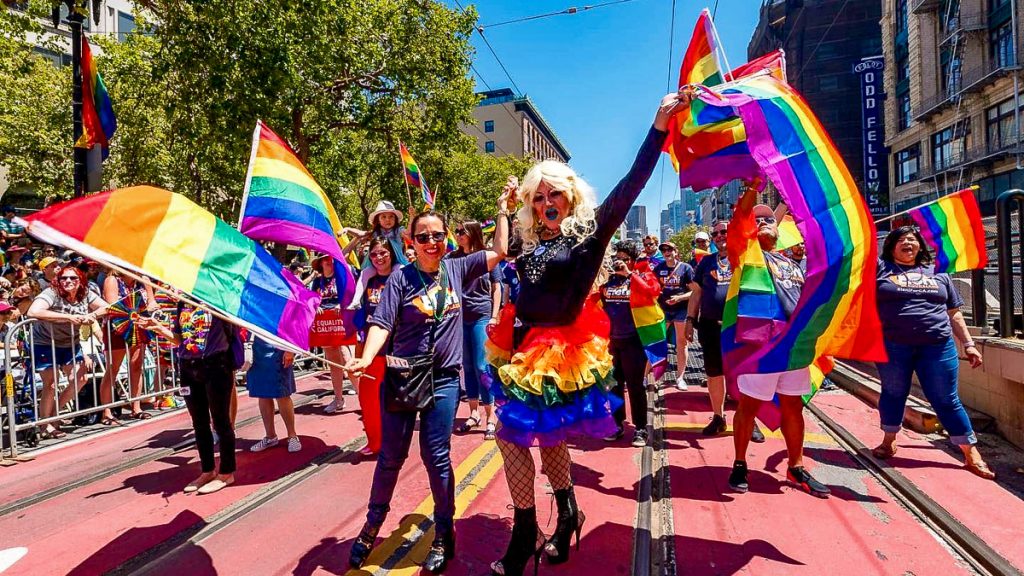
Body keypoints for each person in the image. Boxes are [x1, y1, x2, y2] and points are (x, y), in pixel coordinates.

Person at [484, 91, 684, 576]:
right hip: (527, 350)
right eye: (539, 195)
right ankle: (568, 510)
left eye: (554, 193)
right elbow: (504, 254)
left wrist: (658, 127)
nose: (546, 201)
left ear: (570, 197)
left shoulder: (587, 239)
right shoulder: (529, 246)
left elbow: (631, 184)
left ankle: (526, 529)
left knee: (513, 438)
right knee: (545, 440)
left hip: (565, 353)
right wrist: (505, 208)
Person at [345, 198, 509, 574]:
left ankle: (443, 531)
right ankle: (371, 527)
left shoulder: (457, 268)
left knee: (437, 458)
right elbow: (382, 324)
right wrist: (367, 356)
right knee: (390, 458)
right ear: (410, 241)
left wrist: (502, 208)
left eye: (437, 235)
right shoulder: (400, 279)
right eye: (423, 237)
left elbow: (499, 250)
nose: (431, 242)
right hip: (403, 378)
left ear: (446, 238)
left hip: (444, 379)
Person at [872, 225, 994, 479]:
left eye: (913, 239)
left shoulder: (938, 272)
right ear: (891, 246)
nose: (908, 242)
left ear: (920, 246)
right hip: (893, 346)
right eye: (902, 239)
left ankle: (971, 452)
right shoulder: (880, 269)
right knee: (894, 393)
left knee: (946, 399)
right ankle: (889, 440)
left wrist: (969, 344)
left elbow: (954, 313)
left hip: (938, 347)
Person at [729, 203, 829, 498]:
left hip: (793, 347)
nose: (762, 222)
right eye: (756, 220)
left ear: (780, 231)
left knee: (793, 406)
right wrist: (752, 190)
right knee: (749, 407)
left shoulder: (792, 264)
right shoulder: (747, 254)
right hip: (763, 346)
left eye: (768, 220)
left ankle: (796, 467)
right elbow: (740, 223)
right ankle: (739, 463)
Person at [149, 303, 240, 495]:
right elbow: (179, 340)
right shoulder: (182, 304)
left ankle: (226, 472)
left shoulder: (220, 301)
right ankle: (207, 470)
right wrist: (159, 329)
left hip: (216, 365)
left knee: (221, 421)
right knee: (199, 423)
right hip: (188, 367)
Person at [686, 221, 765, 443]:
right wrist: (691, 320)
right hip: (710, 326)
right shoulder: (706, 262)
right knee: (714, 373)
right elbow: (697, 294)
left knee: (744, 374)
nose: (719, 236)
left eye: (724, 232)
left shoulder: (746, 257)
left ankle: (750, 420)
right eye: (715, 233)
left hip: (740, 326)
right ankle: (718, 417)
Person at [27, 266, 107, 438]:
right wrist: (68, 317)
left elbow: (107, 307)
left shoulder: (85, 294)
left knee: (80, 378)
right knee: (51, 383)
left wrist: (92, 315)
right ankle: (45, 424)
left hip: (70, 343)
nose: (68, 281)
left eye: (73, 278)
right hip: (46, 342)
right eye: (63, 278)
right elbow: (33, 311)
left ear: (80, 280)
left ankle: (54, 413)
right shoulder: (52, 293)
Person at [600, 240, 661, 447]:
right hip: (612, 341)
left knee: (635, 386)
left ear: (633, 261)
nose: (620, 263)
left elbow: (653, 292)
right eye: (617, 259)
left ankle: (641, 428)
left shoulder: (641, 275)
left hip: (634, 340)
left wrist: (630, 274)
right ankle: (617, 424)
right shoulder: (609, 280)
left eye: (625, 259)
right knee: (614, 385)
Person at [450, 219, 502, 440]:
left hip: (481, 315)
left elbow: (497, 286)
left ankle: (491, 416)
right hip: (460, 317)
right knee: (468, 367)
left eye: (462, 231)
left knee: (482, 366)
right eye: (457, 231)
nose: (458, 235)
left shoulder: (486, 256)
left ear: (473, 233)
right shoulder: (451, 259)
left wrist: (493, 315)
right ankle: (473, 414)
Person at [354, 236, 401, 457]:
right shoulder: (366, 281)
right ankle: (375, 443)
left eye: (383, 252)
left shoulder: (402, 277)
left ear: (392, 253)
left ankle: (396, 443)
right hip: (372, 351)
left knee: (397, 401)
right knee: (368, 398)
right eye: (374, 254)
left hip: (397, 349)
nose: (379, 258)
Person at [97, 271, 157, 425]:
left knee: (137, 365)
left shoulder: (143, 279)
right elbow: (115, 307)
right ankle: (107, 412)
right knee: (113, 368)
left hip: (139, 325)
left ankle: (136, 407)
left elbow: (152, 302)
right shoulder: (112, 280)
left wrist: (150, 306)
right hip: (118, 327)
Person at [344, 200, 411, 308]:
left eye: (391, 217)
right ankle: (356, 300)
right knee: (364, 274)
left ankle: (401, 299)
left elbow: (409, 233)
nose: (387, 220)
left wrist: (412, 217)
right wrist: (347, 229)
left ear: (395, 219)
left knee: (401, 271)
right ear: (378, 220)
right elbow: (360, 234)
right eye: (383, 217)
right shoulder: (375, 233)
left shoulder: (398, 230)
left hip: (395, 261)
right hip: (378, 264)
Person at [310, 255, 353, 414]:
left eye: (331, 259)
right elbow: (312, 300)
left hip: (340, 323)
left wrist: (340, 304)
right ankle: (338, 398)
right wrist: (316, 306)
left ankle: (363, 398)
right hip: (324, 325)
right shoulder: (317, 282)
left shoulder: (340, 277)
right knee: (334, 363)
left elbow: (349, 294)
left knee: (347, 360)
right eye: (325, 259)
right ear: (321, 263)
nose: (329, 261)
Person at [247, 336, 302, 454]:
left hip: (277, 345)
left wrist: (290, 349)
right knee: (262, 393)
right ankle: (270, 436)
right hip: (255, 347)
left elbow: (291, 321)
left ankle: (292, 435)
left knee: (282, 394)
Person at [654, 241, 694, 391]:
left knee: (681, 343)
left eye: (669, 249)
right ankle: (655, 377)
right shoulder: (659, 269)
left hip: (681, 310)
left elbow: (695, 291)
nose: (666, 252)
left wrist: (680, 298)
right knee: (658, 342)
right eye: (663, 250)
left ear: (676, 251)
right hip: (663, 309)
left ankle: (680, 377)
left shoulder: (686, 268)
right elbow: (652, 288)